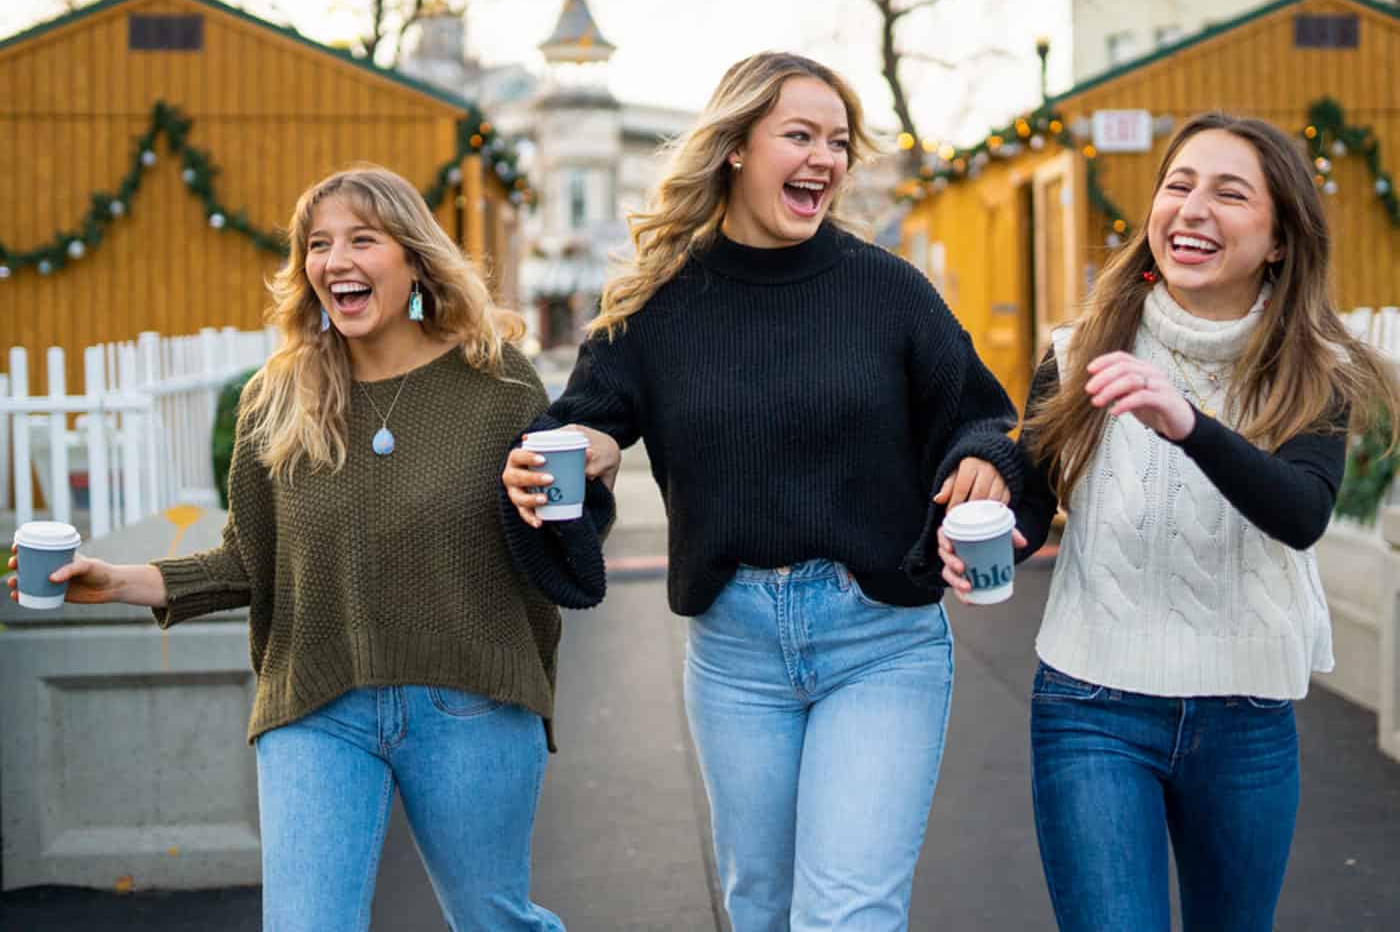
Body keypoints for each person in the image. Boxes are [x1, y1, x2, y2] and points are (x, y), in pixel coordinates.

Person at [7, 165, 616, 932]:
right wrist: (114, 580)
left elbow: (558, 535)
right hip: (316, 703)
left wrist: (587, 479)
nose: (337, 261)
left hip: (471, 698)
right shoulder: (277, 396)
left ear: (413, 259)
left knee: (496, 920)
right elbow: (245, 560)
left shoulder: (494, 382)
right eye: (318, 245)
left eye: (363, 239)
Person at [500, 52, 1026, 932]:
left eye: (839, 142)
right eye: (800, 135)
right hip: (735, 652)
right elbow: (584, 422)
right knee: (762, 908)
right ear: (738, 146)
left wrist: (983, 464)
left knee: (848, 914)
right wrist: (579, 448)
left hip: (880, 642)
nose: (825, 157)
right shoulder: (659, 303)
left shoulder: (885, 289)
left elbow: (977, 415)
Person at [939, 112, 1400, 932]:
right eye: (1179, 185)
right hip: (1092, 704)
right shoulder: (1079, 349)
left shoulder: (1311, 369)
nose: (1192, 208)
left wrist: (1188, 424)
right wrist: (1003, 514)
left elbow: (1300, 514)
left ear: (1280, 239)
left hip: (1246, 714)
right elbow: (1041, 485)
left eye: (1229, 193)